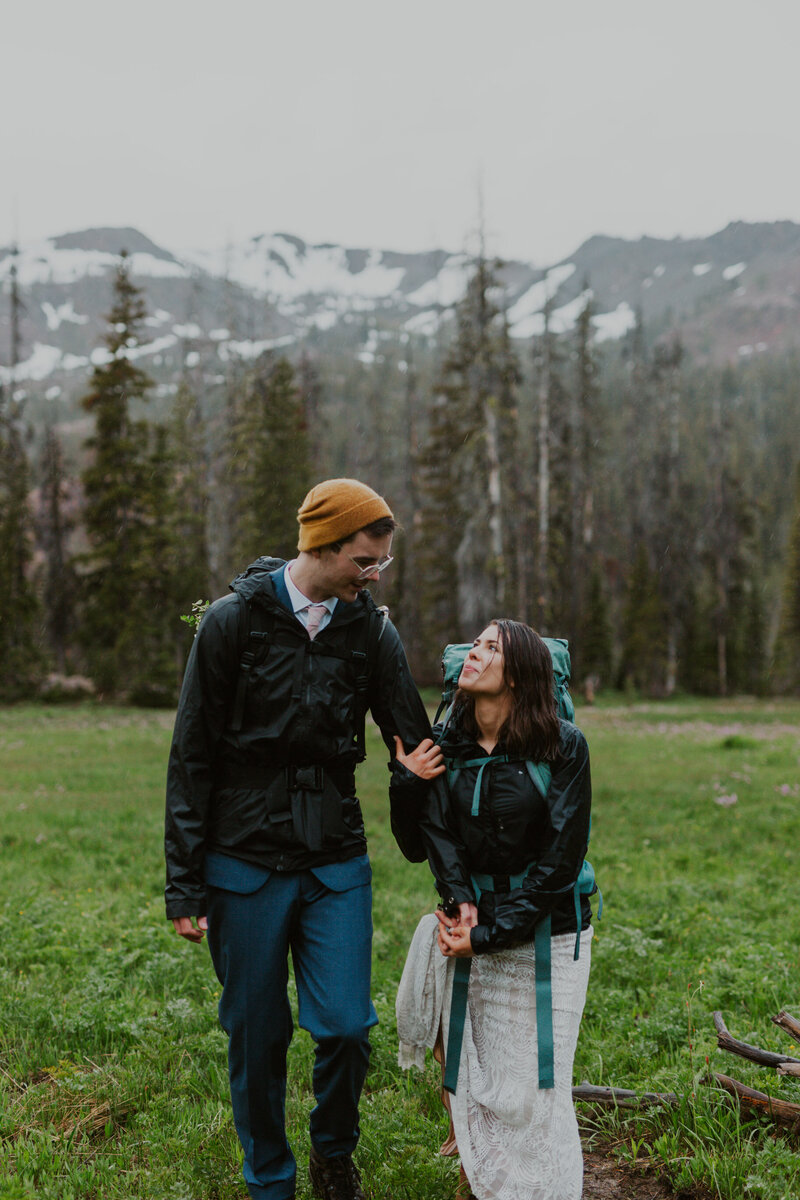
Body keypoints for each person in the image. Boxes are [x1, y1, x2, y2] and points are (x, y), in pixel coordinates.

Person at [164, 479, 439, 1200]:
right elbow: (191, 756)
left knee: (347, 1026)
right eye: (366, 559)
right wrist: (183, 881)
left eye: (380, 561)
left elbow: (415, 744)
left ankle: (333, 1152)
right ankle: (270, 1180)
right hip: (240, 858)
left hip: (334, 857)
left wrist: (429, 785)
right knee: (257, 1038)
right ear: (322, 545)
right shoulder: (232, 623)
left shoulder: (372, 632)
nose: (375, 574)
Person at [392, 619, 594, 1200]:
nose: (474, 653)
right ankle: (484, 1185)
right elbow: (424, 841)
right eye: (475, 644)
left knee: (534, 1088)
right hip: (470, 923)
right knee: (475, 1076)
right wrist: (459, 903)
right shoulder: (445, 745)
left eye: (491, 648)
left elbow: (560, 864)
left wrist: (489, 934)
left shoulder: (562, 745)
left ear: (521, 674)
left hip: (549, 932)